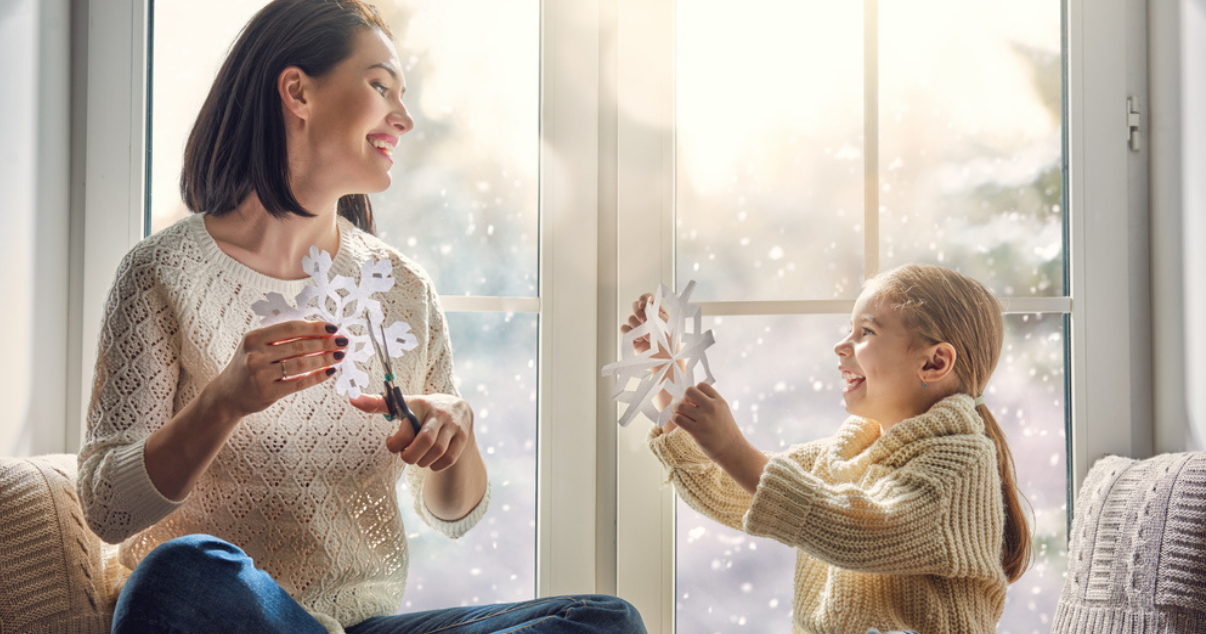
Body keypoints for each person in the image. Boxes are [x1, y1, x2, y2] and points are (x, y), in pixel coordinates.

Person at [77, 1, 646, 633]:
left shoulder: (401, 288)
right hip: (227, 614)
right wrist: (224, 401)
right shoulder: (160, 273)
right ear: (297, 91)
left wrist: (457, 438)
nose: (402, 118)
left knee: (603, 620)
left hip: (361, 624)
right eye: (381, 87)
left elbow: (451, 515)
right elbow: (105, 506)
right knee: (178, 573)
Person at [623, 264, 1031, 634]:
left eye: (866, 332)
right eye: (849, 329)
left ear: (934, 363)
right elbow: (726, 489)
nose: (841, 345)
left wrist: (732, 447)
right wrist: (667, 375)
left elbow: (858, 529)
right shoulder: (850, 450)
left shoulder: (961, 464)